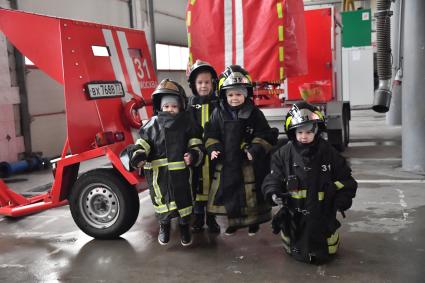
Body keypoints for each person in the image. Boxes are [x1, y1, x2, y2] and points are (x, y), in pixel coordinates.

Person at [262, 101, 357, 263]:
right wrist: (273, 193)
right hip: (294, 216)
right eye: (299, 132)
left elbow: (347, 180)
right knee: (296, 248)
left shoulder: (329, 152)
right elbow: (273, 178)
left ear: (317, 130)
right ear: (292, 132)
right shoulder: (283, 154)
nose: (304, 136)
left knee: (326, 249)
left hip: (323, 213)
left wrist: (341, 199)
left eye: (308, 132)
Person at [126, 79, 204, 246]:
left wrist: (193, 155)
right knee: (163, 203)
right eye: (166, 106)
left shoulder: (187, 123)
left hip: (182, 174)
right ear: (160, 107)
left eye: (174, 106)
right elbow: (143, 143)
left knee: (184, 202)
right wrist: (138, 156)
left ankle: (184, 228)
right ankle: (164, 226)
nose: (170, 109)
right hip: (159, 176)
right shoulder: (152, 125)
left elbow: (195, 142)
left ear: (181, 106)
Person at [204, 65, 277, 236]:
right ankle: (233, 223)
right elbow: (210, 132)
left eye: (238, 94)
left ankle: (254, 223)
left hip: (248, 164)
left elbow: (265, 134)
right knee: (231, 192)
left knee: (251, 194)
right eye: (230, 95)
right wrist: (213, 148)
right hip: (227, 162)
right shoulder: (218, 113)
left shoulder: (254, 113)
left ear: (245, 94)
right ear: (224, 95)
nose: (234, 98)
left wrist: (254, 149)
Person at [187, 59, 220, 233]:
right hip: (197, 153)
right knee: (197, 185)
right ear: (193, 85)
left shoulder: (218, 103)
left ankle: (212, 219)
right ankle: (198, 217)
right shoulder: (190, 104)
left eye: (207, 82)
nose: (204, 86)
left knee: (213, 186)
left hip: (214, 152)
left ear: (213, 83)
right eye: (200, 82)